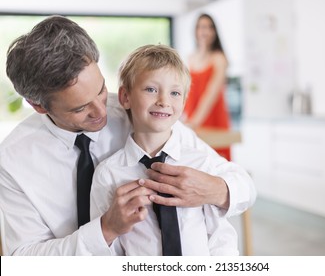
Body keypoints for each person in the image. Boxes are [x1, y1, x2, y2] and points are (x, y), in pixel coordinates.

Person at [0, 15, 256, 255]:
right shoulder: (13, 161)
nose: (101, 112)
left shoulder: (141, 113)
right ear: (39, 106)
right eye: (80, 108)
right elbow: (25, 257)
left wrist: (216, 189)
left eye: (101, 90)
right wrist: (105, 230)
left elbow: (239, 184)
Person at [90, 44, 239, 256]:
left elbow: (221, 237)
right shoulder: (108, 174)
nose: (164, 101)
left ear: (184, 101)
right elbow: (107, 250)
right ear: (125, 97)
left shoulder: (201, 164)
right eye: (151, 89)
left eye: (175, 93)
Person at [183, 13, 232, 160]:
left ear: (215, 32)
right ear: (196, 31)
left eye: (210, 27)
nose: (206, 31)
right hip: (191, 118)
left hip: (212, 119)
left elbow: (211, 94)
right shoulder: (190, 58)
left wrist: (194, 122)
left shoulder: (219, 58)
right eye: (202, 27)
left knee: (216, 161)